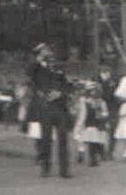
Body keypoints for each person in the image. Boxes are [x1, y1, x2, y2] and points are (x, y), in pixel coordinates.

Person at [29, 44, 73, 178]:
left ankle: (64, 169)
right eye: (44, 53)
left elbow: (68, 86)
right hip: (45, 108)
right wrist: (39, 59)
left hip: (60, 108)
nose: (49, 56)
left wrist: (60, 93)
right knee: (45, 139)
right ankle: (45, 167)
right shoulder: (36, 69)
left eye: (49, 53)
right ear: (39, 55)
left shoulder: (58, 69)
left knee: (63, 139)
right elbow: (30, 72)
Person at [73, 81, 110, 167]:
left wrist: (103, 116)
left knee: (98, 141)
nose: (94, 93)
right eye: (92, 91)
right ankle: (92, 158)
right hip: (90, 124)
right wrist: (80, 125)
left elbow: (105, 112)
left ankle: (98, 155)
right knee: (91, 142)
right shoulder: (86, 102)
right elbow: (83, 115)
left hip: (99, 124)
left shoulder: (102, 102)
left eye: (95, 91)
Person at [96, 61, 120, 161]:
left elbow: (116, 94)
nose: (107, 74)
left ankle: (110, 151)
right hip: (100, 108)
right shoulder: (97, 81)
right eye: (105, 72)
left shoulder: (113, 81)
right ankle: (101, 152)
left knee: (112, 130)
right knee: (101, 130)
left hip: (112, 108)